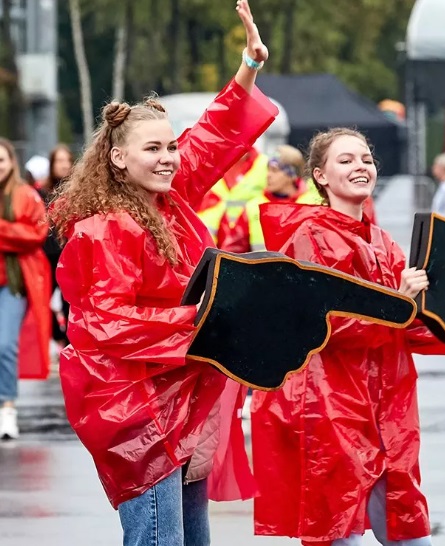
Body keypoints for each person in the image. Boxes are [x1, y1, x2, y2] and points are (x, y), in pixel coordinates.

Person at [49, 1, 278, 543]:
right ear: (118, 159)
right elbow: (106, 323)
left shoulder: (167, 200)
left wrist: (249, 64)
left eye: (171, 145)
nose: (170, 156)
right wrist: (205, 322)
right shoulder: (103, 228)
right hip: (134, 411)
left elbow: (215, 133)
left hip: (183, 398)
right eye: (153, 148)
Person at [251, 128, 445, 546]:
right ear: (320, 177)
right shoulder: (310, 237)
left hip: (388, 403)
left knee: (406, 523)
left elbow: (411, 323)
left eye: (365, 158)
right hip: (330, 402)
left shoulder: (382, 243)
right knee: (341, 527)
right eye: (345, 160)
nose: (360, 166)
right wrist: (398, 299)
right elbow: (326, 323)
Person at [0, 139, 52, 440]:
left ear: (11, 163)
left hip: (14, 283)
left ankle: (7, 407)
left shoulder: (25, 195)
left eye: (2, 160)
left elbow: (36, 234)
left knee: (5, 345)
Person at [231, 144, 305, 252]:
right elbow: (231, 252)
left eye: (274, 170)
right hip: (257, 269)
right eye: (268, 170)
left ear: (292, 175)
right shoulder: (253, 207)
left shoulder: (310, 205)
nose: (268, 175)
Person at [41, 144, 75, 346]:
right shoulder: (42, 192)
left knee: (68, 302)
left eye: (66, 160)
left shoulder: (77, 191)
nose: (63, 165)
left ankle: (71, 343)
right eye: (59, 161)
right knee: (42, 300)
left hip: (69, 255)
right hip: (47, 255)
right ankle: (58, 336)